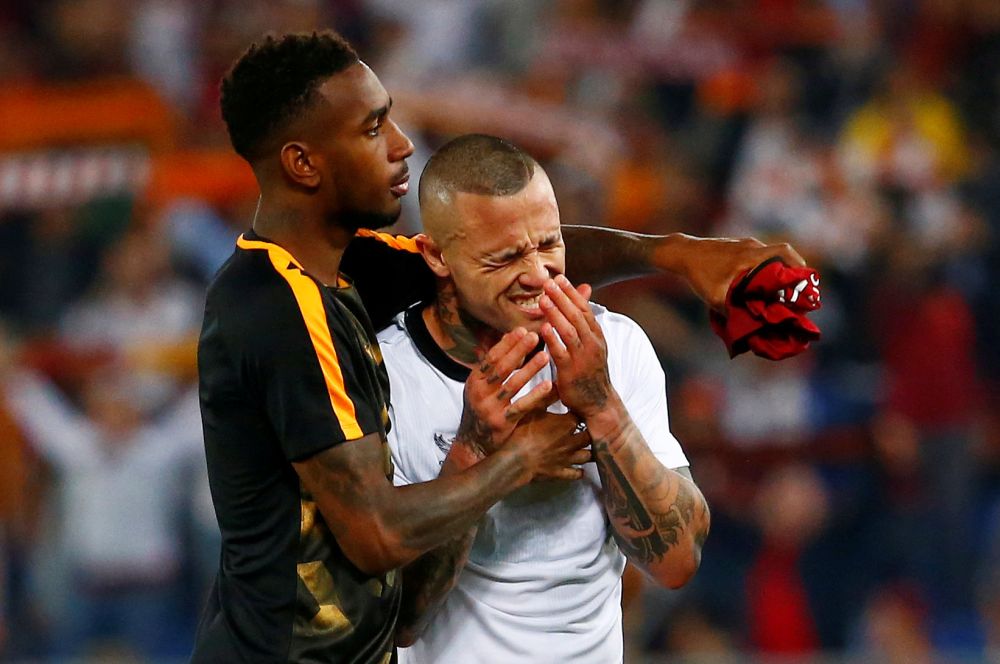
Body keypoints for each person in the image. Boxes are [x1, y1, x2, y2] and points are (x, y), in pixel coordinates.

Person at [195, 30, 805, 663]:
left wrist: (679, 254)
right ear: (303, 163)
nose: (403, 145)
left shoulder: (356, 267)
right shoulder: (277, 310)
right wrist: (508, 455)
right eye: (374, 129)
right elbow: (377, 535)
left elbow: (508, 250)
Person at [377, 134, 710, 663]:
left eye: (550, 243)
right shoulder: (386, 373)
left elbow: (677, 561)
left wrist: (603, 408)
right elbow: (399, 620)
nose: (538, 275)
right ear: (437, 255)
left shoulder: (615, 345)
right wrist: (477, 451)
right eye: (506, 257)